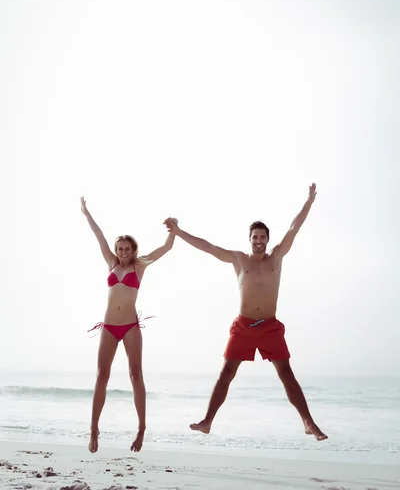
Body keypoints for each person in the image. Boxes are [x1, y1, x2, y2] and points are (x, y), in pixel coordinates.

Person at [164, 184, 327, 441]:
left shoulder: (276, 257)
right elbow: (207, 246)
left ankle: (308, 423)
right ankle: (207, 421)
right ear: (249, 239)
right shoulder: (240, 260)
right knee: (226, 372)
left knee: (286, 373)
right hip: (243, 325)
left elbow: (294, 228)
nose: (259, 241)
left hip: (270, 326)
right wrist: (179, 231)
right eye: (255, 237)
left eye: (263, 237)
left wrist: (308, 202)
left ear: (267, 239)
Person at [81, 197, 176, 453]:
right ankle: (93, 429)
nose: (123, 253)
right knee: (102, 376)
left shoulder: (139, 265)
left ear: (133, 251)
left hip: (131, 326)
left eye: (127, 249)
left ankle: (141, 429)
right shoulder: (111, 263)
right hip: (110, 327)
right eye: (120, 249)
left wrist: (173, 230)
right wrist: (85, 211)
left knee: (136, 376)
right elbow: (98, 234)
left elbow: (165, 248)